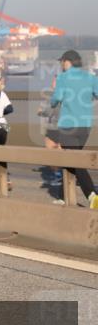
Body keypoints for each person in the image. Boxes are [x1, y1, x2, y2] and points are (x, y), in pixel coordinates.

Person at [49, 49, 98, 209]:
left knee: (75, 161)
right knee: (68, 160)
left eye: (61, 62)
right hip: (85, 126)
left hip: (68, 125)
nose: (61, 65)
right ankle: (64, 197)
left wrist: (53, 102)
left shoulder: (63, 77)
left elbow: (56, 99)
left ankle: (92, 195)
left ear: (67, 62)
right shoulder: (91, 77)